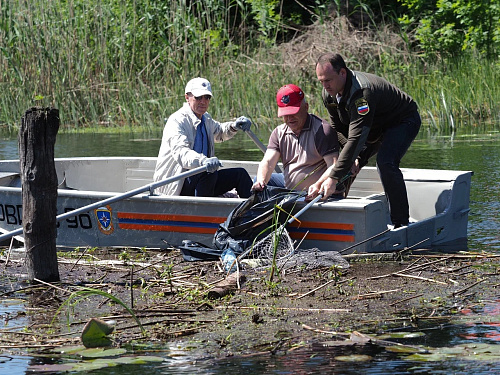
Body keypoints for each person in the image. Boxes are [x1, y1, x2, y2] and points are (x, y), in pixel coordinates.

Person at [314, 53, 421, 228]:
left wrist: (333, 177)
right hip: (372, 128)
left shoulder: (362, 93)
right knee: (345, 165)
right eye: (321, 82)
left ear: (343, 73)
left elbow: (357, 137)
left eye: (328, 80)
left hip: (402, 121)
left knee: (385, 162)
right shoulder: (329, 93)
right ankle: (336, 217)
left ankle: (400, 223)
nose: (325, 86)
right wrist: (352, 158)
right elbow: (338, 128)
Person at [153, 77, 253, 198]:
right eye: (198, 97)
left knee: (240, 174)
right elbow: (181, 153)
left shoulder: (206, 118)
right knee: (208, 173)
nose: (203, 101)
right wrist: (203, 161)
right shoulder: (177, 121)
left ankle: (253, 213)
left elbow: (219, 131)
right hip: (177, 185)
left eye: (207, 97)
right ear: (187, 97)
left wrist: (234, 126)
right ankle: (202, 211)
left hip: (203, 180)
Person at [251, 84, 339, 197]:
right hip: (289, 187)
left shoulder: (322, 131)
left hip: (318, 191)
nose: (289, 118)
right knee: (257, 181)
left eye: (293, 113)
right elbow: (268, 162)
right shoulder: (278, 133)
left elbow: (334, 165)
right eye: (285, 114)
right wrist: (261, 181)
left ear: (306, 107)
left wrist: (318, 185)